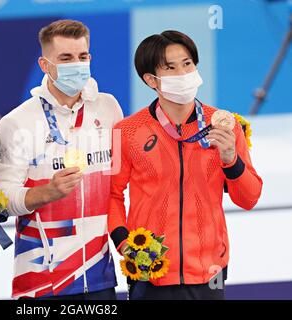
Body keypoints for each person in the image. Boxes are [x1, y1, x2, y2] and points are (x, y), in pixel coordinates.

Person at [108, 30, 263, 300]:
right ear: (150, 80)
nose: (182, 73)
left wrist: (231, 160)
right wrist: (124, 243)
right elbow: (111, 194)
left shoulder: (224, 125)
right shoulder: (127, 132)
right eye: (170, 67)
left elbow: (249, 199)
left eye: (187, 63)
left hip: (209, 271)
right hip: (150, 271)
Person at [0, 19, 123, 299]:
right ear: (45, 65)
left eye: (82, 57)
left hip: (100, 277)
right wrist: (47, 192)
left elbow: (118, 185)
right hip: (41, 282)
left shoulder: (109, 108)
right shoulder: (16, 123)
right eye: (66, 58)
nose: (77, 64)